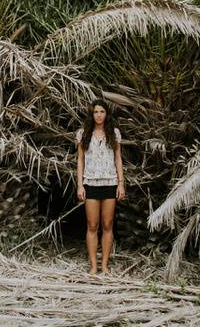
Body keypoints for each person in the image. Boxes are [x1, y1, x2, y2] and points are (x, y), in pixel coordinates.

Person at [76, 99, 125, 275]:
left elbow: (118, 158)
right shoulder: (83, 133)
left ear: (107, 114)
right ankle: (93, 266)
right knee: (92, 225)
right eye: (96, 112)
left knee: (107, 224)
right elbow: (80, 160)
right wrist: (80, 185)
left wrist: (121, 183)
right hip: (90, 183)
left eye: (102, 112)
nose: (99, 115)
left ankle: (104, 265)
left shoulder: (114, 133)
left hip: (110, 182)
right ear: (92, 114)